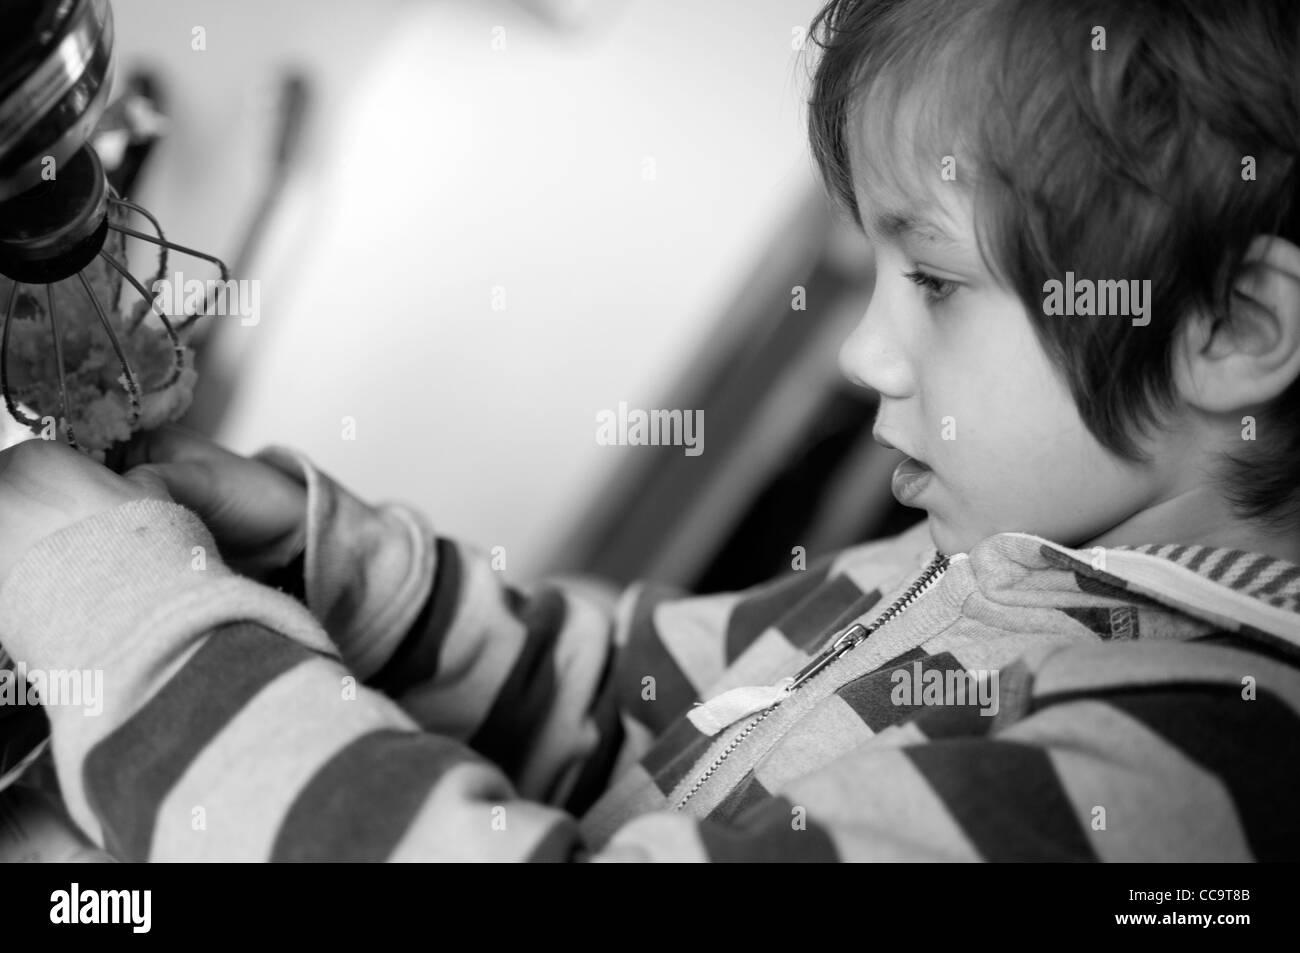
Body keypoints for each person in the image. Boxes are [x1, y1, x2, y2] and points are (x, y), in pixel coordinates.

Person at [0, 0, 1297, 861]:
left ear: (1234, 329)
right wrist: (337, 568)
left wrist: (129, 626)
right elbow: (628, 700)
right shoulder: (965, 566)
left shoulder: (1183, 784)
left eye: (940, 284)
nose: (863, 356)